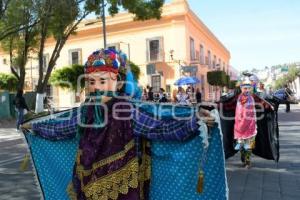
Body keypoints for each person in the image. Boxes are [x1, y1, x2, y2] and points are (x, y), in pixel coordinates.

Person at [21, 49, 228, 200]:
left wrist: (195, 121)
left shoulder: (126, 110)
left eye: (102, 81)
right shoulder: (87, 111)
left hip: (123, 190)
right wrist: (36, 128)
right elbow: (62, 128)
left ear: (117, 83)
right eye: (91, 82)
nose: (96, 87)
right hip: (88, 186)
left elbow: (159, 128)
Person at [234, 78, 257, 169]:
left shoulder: (251, 98)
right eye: (245, 88)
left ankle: (248, 161)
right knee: (242, 146)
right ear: (241, 88)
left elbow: (252, 111)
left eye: (248, 88)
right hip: (239, 126)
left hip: (250, 126)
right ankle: (244, 159)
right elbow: (238, 112)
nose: (246, 90)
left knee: (249, 145)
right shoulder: (239, 98)